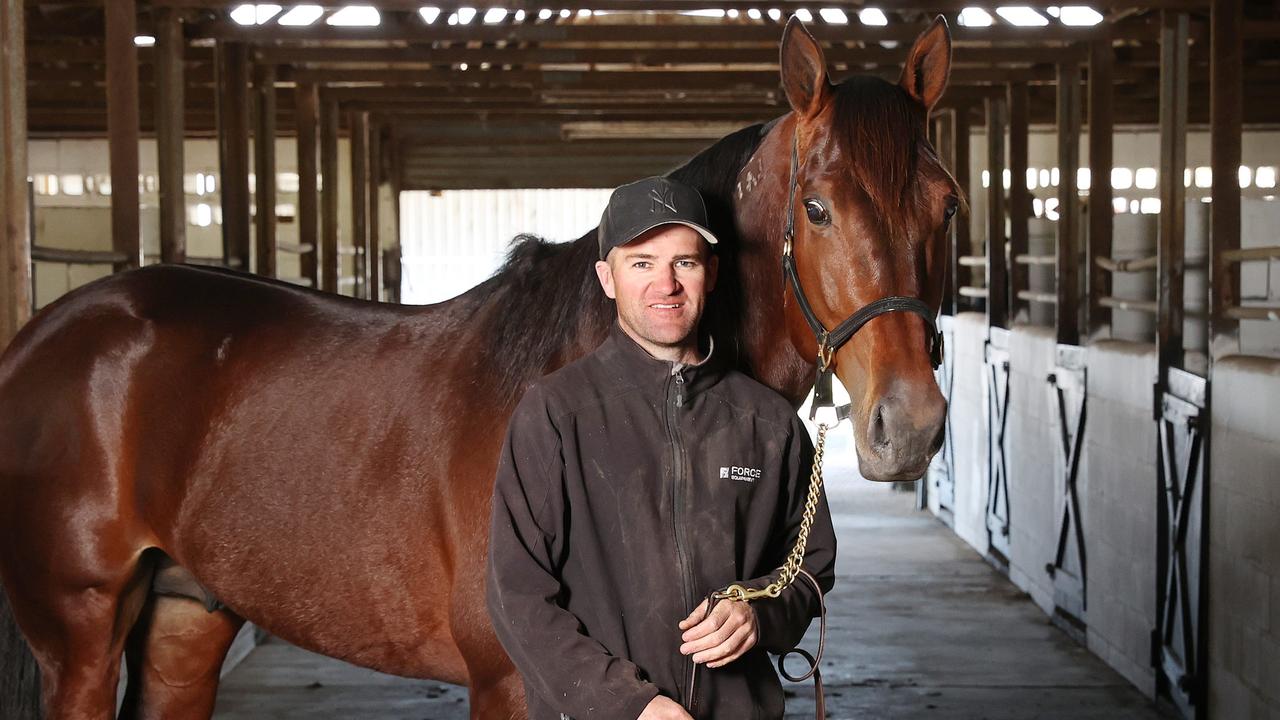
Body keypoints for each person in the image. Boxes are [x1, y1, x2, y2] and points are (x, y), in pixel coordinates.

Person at [486, 176, 836, 720]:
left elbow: (810, 566)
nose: (665, 284)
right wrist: (630, 706)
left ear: (711, 273)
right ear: (608, 278)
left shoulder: (768, 422)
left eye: (685, 263)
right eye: (642, 263)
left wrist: (758, 613)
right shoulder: (555, 414)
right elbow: (517, 596)